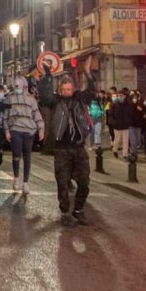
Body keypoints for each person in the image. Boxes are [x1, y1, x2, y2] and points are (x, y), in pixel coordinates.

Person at [39, 59, 97, 226]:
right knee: (63, 183)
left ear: (73, 89)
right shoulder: (55, 101)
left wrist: (88, 73)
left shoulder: (80, 99)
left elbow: (92, 92)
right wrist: (48, 75)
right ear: (60, 90)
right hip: (62, 149)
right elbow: (45, 96)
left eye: (69, 89)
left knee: (84, 182)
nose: (66, 91)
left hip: (79, 148)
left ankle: (78, 210)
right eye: (63, 89)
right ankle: (65, 212)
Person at [3, 76, 44, 194]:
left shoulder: (31, 99)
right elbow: (5, 116)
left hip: (29, 131)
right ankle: (16, 178)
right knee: (16, 155)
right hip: (15, 130)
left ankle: (25, 182)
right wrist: (6, 130)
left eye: (19, 86)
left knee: (27, 156)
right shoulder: (9, 98)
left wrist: (41, 129)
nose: (17, 88)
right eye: (15, 86)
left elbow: (36, 115)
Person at [110, 90, 133, 159]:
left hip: (125, 126)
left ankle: (125, 155)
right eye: (119, 95)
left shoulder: (128, 105)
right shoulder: (114, 104)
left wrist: (129, 122)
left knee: (125, 141)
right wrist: (114, 122)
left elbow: (130, 114)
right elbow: (111, 115)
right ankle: (115, 150)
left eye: (121, 95)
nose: (120, 97)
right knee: (117, 140)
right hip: (117, 126)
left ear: (124, 96)